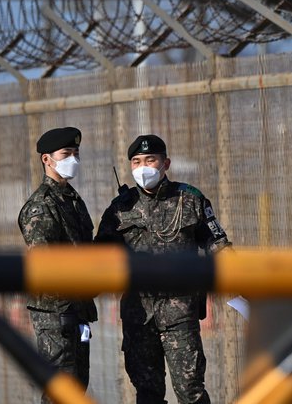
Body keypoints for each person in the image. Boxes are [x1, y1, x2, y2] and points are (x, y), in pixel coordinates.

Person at [95, 134, 232, 404]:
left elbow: (218, 244)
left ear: (165, 163)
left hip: (180, 314)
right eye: (136, 161)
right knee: (147, 395)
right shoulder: (120, 209)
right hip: (138, 316)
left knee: (191, 391)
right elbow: (99, 255)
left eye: (150, 160)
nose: (143, 167)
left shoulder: (190, 199)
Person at [18, 127, 97, 403]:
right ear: (47, 159)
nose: (73, 159)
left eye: (76, 153)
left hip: (78, 310)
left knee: (76, 387)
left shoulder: (73, 201)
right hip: (55, 313)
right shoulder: (41, 206)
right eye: (66, 154)